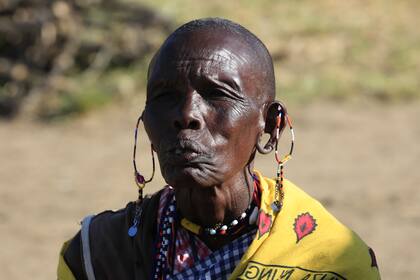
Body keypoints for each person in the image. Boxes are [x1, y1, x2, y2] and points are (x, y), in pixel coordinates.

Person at [57, 18, 381, 280]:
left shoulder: (329, 261)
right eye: (164, 97)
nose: (186, 115)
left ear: (270, 124)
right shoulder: (96, 256)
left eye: (216, 94)